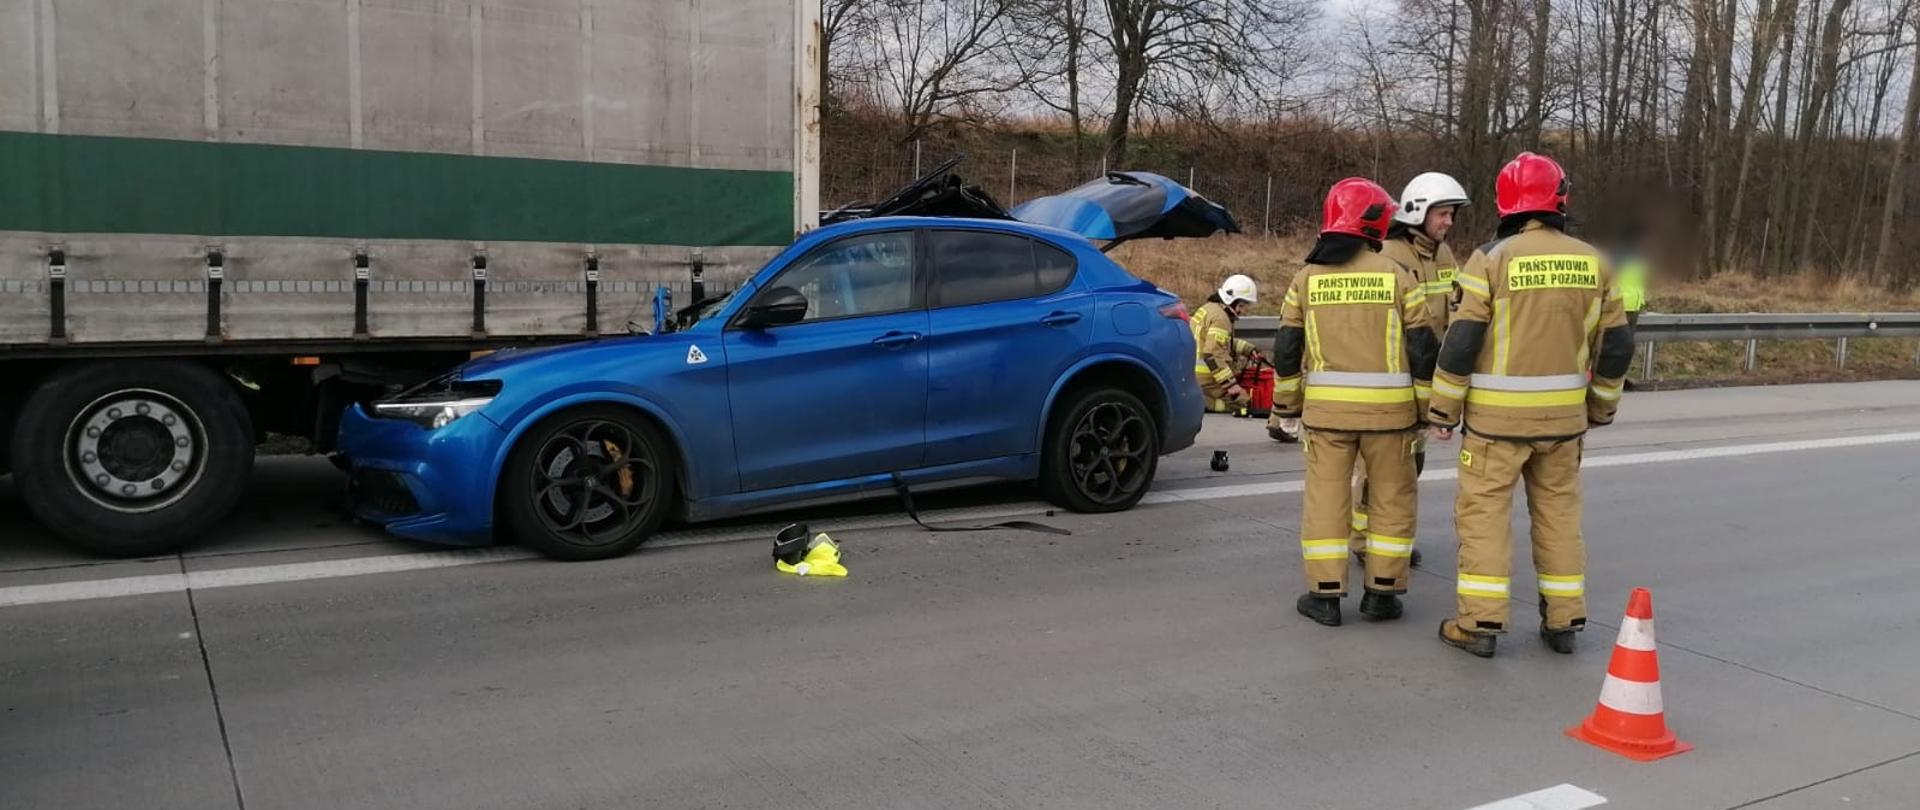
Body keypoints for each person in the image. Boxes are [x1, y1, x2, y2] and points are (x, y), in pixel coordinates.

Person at [1426, 152, 1636, 658]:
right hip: (1564, 425)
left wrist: (1443, 411)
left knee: (1484, 518)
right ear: (1560, 199)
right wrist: (1601, 407)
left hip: (1495, 425)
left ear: (1506, 203)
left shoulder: (1491, 259)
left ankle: (1480, 624)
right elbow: (1617, 345)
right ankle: (1564, 621)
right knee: (1560, 516)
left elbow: (1462, 340)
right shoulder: (1596, 261)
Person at [1270, 178, 1440, 627]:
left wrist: (1286, 406)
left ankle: (1325, 597)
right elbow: (1424, 349)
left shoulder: (1306, 278)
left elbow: (1287, 349)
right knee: (1390, 499)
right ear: (1378, 222)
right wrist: (1427, 412)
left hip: (1327, 417)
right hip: (1391, 416)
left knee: (1327, 500)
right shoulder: (1398, 276)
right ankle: (1382, 595)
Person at [1349, 172, 1470, 568]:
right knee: (1378, 469)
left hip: (1425, 376)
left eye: (1451, 215)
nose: (1448, 223)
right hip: (1391, 379)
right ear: (1418, 211)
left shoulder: (1445, 256)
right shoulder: (1388, 254)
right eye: (1443, 214)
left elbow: (1452, 313)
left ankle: (1389, 537)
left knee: (1409, 464)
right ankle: (1365, 541)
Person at [1191, 274, 1262, 413]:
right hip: (1207, 380)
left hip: (1193, 375)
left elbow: (1220, 342)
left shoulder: (1208, 308)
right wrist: (1231, 385)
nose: (1241, 311)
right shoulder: (1221, 318)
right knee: (1243, 403)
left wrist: (1247, 349)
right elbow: (1212, 354)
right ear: (1232, 300)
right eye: (1241, 305)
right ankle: (1206, 403)